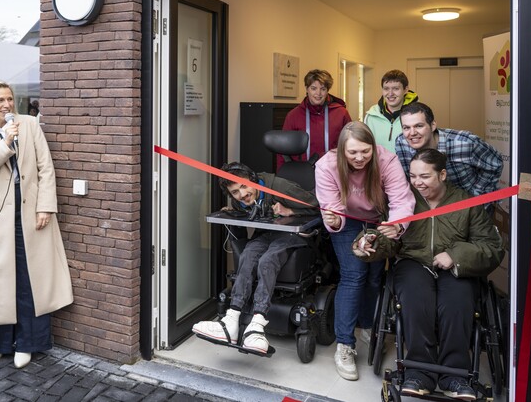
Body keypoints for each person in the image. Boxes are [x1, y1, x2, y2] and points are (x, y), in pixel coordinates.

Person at [353, 149, 504, 400]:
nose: (417, 182)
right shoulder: (404, 200)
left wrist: (455, 255)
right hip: (414, 262)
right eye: (413, 176)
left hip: (454, 267)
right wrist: (368, 241)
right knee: (416, 298)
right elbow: (386, 237)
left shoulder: (466, 203)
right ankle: (419, 372)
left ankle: (455, 375)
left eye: (424, 176)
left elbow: (492, 247)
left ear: (442, 175)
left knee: (458, 301)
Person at [0, 81, 73, 369]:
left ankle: (28, 343)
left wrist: (45, 206)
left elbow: (45, 167)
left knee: (29, 278)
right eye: (0, 100)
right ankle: (1, 343)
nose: (7, 104)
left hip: (29, 210)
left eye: (9, 98)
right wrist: (5, 143)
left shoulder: (29, 124)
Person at [315, 121, 415, 380]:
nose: (359, 158)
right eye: (352, 153)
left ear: (373, 147)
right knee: (353, 275)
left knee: (374, 277)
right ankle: (344, 345)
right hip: (346, 220)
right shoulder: (326, 166)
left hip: (378, 219)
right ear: (341, 151)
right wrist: (333, 220)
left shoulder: (386, 160)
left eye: (365, 151)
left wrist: (397, 225)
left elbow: (401, 198)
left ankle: (369, 327)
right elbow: (331, 206)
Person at [192, 162, 320, 354]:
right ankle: (231, 320)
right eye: (235, 192)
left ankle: (258, 323)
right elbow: (246, 209)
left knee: (268, 260)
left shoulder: (279, 186)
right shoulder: (239, 200)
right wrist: (233, 212)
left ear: (253, 179)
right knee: (248, 254)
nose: (242, 194)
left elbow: (318, 205)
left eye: (244, 186)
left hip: (294, 235)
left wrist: (290, 211)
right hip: (267, 234)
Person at [395, 102, 503, 203]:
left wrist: (476, 195)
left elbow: (495, 163)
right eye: (406, 128)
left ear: (433, 125)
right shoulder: (402, 143)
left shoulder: (465, 142)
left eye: (419, 126)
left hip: (470, 206)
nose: (412, 133)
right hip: (430, 207)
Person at [278, 69, 351, 169]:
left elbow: (350, 144)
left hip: (333, 170)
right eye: (313, 88)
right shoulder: (293, 115)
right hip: (302, 171)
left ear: (327, 90)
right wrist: (282, 174)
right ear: (307, 89)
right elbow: (283, 150)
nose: (318, 93)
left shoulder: (341, 113)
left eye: (323, 89)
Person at [363, 70, 418, 152]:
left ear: (406, 89)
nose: (390, 93)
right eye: (386, 89)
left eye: (396, 88)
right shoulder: (370, 116)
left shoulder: (418, 115)